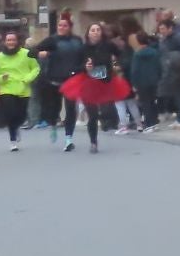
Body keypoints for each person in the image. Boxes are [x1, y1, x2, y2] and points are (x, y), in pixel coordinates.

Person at [60, 21, 130, 154]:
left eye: (98, 30)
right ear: (88, 34)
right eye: (93, 30)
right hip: (89, 83)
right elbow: (75, 67)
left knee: (107, 110)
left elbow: (123, 56)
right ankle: (93, 142)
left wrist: (118, 66)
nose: (95, 33)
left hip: (105, 81)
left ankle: (109, 122)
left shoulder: (108, 45)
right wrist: (85, 68)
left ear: (101, 33)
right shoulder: (83, 48)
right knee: (92, 115)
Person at [33, 13, 86, 150]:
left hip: (72, 79)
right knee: (54, 109)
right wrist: (41, 53)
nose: (62, 27)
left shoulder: (77, 40)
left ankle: (69, 139)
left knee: (70, 109)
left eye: (65, 25)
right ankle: (53, 124)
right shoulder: (52, 40)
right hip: (54, 78)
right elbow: (31, 52)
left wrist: (81, 69)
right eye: (60, 25)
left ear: (70, 27)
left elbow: (83, 57)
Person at [0, 30, 41, 151]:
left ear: (17, 41)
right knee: (11, 113)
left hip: (23, 88)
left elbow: (36, 68)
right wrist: (1, 78)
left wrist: (27, 78)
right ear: (5, 42)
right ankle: (13, 141)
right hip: (7, 88)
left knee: (21, 115)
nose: (11, 42)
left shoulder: (27, 54)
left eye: (13, 40)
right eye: (8, 40)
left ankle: (17, 126)